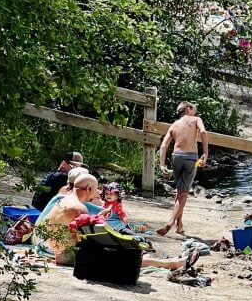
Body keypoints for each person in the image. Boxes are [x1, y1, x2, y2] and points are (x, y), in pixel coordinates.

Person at [35, 174, 200, 270]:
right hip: (69, 256)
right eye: (97, 189)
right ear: (88, 189)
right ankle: (173, 263)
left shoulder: (63, 199)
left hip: (58, 251)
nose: (99, 193)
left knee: (125, 248)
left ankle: (170, 261)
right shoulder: (80, 208)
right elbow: (90, 239)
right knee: (124, 256)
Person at [156, 102, 209, 236]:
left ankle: (179, 226)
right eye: (194, 110)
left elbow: (163, 146)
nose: (195, 113)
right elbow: (203, 131)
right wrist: (205, 153)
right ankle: (171, 222)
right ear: (188, 109)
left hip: (176, 157)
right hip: (191, 158)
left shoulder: (174, 125)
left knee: (180, 191)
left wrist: (162, 165)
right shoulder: (196, 119)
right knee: (183, 194)